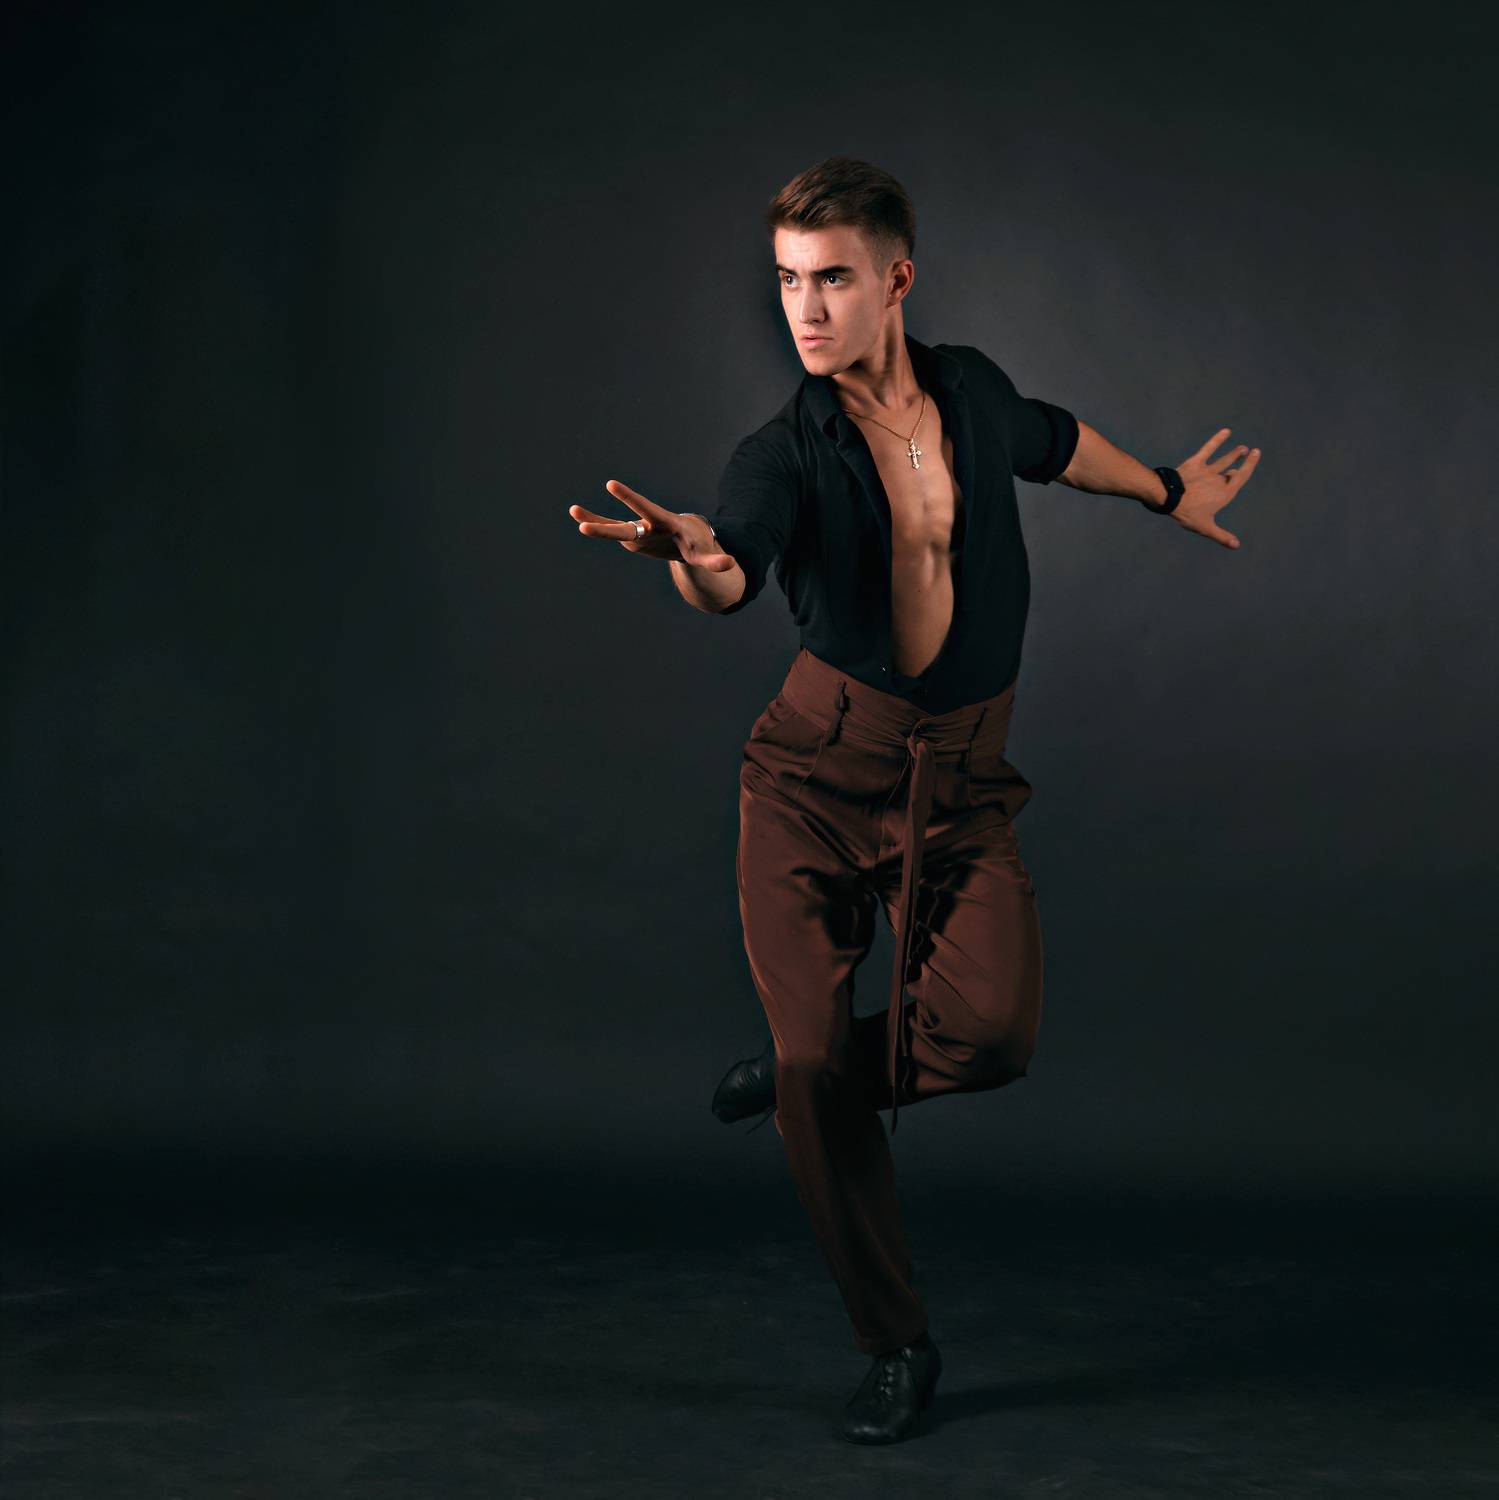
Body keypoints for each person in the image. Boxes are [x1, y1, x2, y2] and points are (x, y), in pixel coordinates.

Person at [567, 156, 1259, 1444]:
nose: (804, 308)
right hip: (811, 777)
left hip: (961, 780)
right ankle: (896, 1342)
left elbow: (1059, 440)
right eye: (787, 281)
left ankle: (804, 1078)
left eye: (831, 278)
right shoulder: (781, 451)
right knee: (816, 1069)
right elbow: (733, 563)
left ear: (896, 280)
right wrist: (692, 559)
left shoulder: (973, 392)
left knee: (988, 1035)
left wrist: (1169, 491)